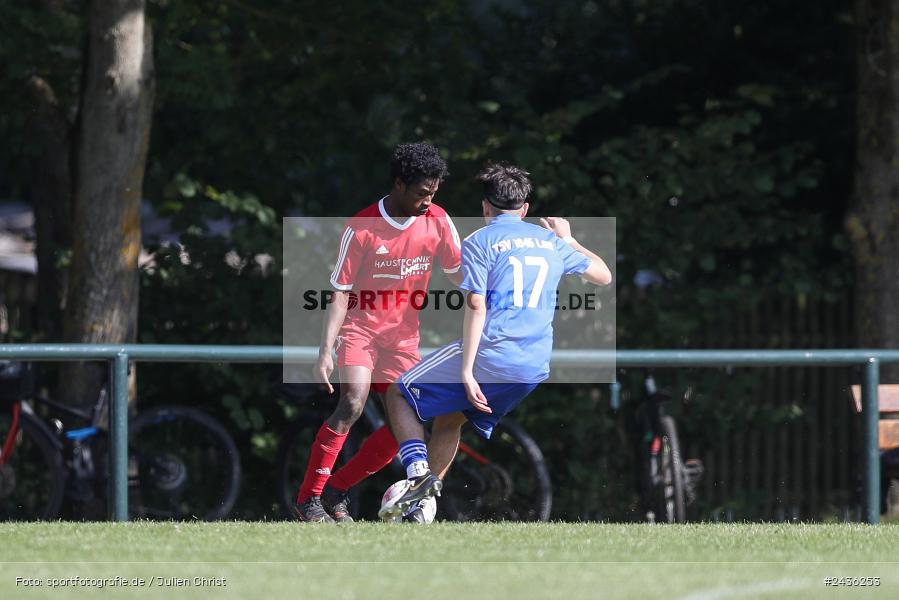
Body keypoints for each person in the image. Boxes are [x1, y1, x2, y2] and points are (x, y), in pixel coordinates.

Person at [379, 161, 612, 519]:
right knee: (449, 420)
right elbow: (603, 276)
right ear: (525, 209)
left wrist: (468, 371)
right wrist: (569, 239)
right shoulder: (550, 241)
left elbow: (475, 305)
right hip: (532, 368)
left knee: (398, 391)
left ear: (485, 207)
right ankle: (422, 508)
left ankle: (417, 473)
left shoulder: (480, 241)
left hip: (492, 356)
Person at [294, 142, 465, 523]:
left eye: (434, 194)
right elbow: (339, 292)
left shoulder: (438, 220)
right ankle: (309, 499)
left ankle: (339, 488)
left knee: (404, 429)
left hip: (403, 339)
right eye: (422, 193)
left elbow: (460, 275)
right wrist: (325, 351)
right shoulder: (361, 227)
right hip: (360, 331)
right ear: (400, 184)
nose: (429, 201)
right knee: (353, 402)